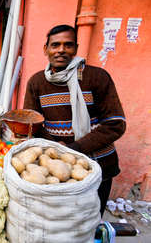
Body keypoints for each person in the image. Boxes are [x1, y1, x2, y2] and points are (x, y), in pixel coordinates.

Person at [24, 24, 126, 216]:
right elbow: (33, 123)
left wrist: (75, 149)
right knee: (61, 222)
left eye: (68, 45)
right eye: (55, 45)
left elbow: (115, 124)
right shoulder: (36, 82)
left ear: (76, 49)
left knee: (90, 221)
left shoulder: (97, 77)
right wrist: (58, 150)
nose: (61, 50)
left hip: (98, 166)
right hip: (55, 168)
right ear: (46, 49)